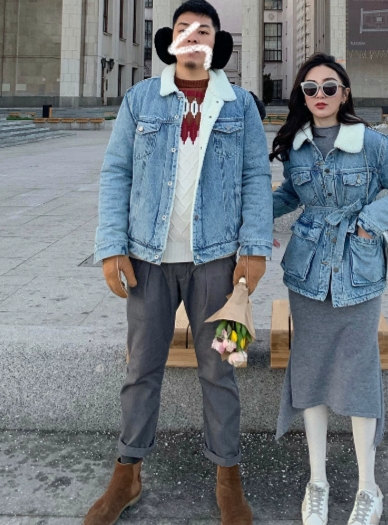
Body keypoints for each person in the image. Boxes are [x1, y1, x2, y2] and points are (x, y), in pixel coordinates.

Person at [84, 1, 273, 524]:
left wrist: (256, 249)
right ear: (171, 42)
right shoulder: (141, 99)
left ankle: (228, 478)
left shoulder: (240, 105)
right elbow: (116, 172)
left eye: (203, 30)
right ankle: (126, 475)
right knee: (141, 367)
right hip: (148, 261)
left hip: (220, 263)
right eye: (184, 29)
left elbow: (256, 177)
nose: (193, 36)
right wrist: (111, 245)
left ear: (216, 44)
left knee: (224, 367)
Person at [271, 53, 388, 525]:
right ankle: (316, 482)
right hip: (307, 274)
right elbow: (290, 195)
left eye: (329, 87)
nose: (319, 95)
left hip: (357, 272)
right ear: (301, 96)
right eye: (310, 88)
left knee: (359, 377)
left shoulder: (372, 144)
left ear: (345, 92)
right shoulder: (296, 145)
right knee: (310, 373)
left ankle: (367, 488)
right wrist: (251, 219)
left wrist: (367, 223)